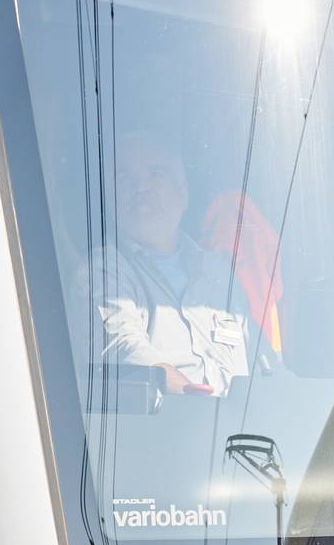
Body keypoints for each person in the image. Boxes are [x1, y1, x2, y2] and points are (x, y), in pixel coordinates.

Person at [89, 132, 259, 396]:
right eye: (125, 179)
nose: (141, 187)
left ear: (184, 193)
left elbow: (262, 360)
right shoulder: (101, 273)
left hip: (241, 433)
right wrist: (179, 387)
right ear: (110, 202)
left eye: (155, 173)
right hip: (159, 434)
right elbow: (122, 345)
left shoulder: (220, 274)